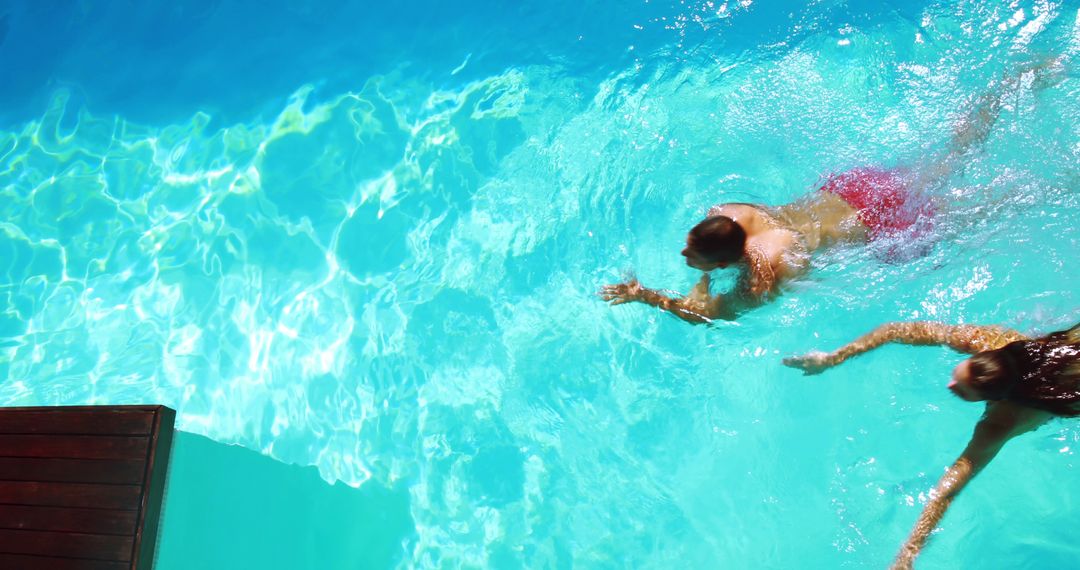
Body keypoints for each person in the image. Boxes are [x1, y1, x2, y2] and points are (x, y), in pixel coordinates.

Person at [599, 60, 1063, 324]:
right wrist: (708, 268)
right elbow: (725, 254)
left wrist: (645, 295)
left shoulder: (768, 273)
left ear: (724, 262)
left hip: (876, 226)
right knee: (949, 158)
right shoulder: (729, 212)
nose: (683, 251)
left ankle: (1059, 184)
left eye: (691, 253)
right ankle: (1013, 86)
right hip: (853, 189)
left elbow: (707, 314)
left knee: (981, 211)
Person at [784, 320, 1080, 569]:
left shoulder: (1000, 423)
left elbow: (948, 489)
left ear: (997, 398)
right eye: (958, 377)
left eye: (961, 393)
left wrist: (907, 554)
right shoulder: (991, 346)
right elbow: (895, 330)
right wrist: (833, 358)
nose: (950, 386)